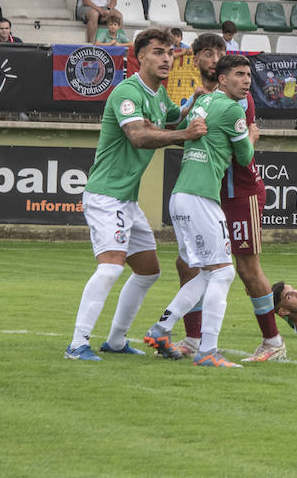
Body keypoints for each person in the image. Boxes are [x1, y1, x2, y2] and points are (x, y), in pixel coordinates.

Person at [65, 28, 205, 361]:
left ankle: (115, 340)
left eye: (170, 53)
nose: (167, 58)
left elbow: (172, 115)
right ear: (139, 55)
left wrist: (192, 104)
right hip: (106, 195)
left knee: (148, 271)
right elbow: (139, 136)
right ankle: (76, 343)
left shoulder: (158, 94)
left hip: (126, 199)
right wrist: (184, 135)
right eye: (158, 52)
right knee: (111, 268)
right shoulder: (127, 92)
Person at [139, 54, 255, 369]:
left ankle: (160, 329)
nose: (246, 80)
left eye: (248, 75)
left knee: (206, 273)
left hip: (181, 195)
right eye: (239, 74)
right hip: (201, 197)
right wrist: (252, 137)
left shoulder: (204, 104)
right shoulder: (232, 109)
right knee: (223, 271)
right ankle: (208, 351)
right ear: (222, 79)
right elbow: (245, 157)